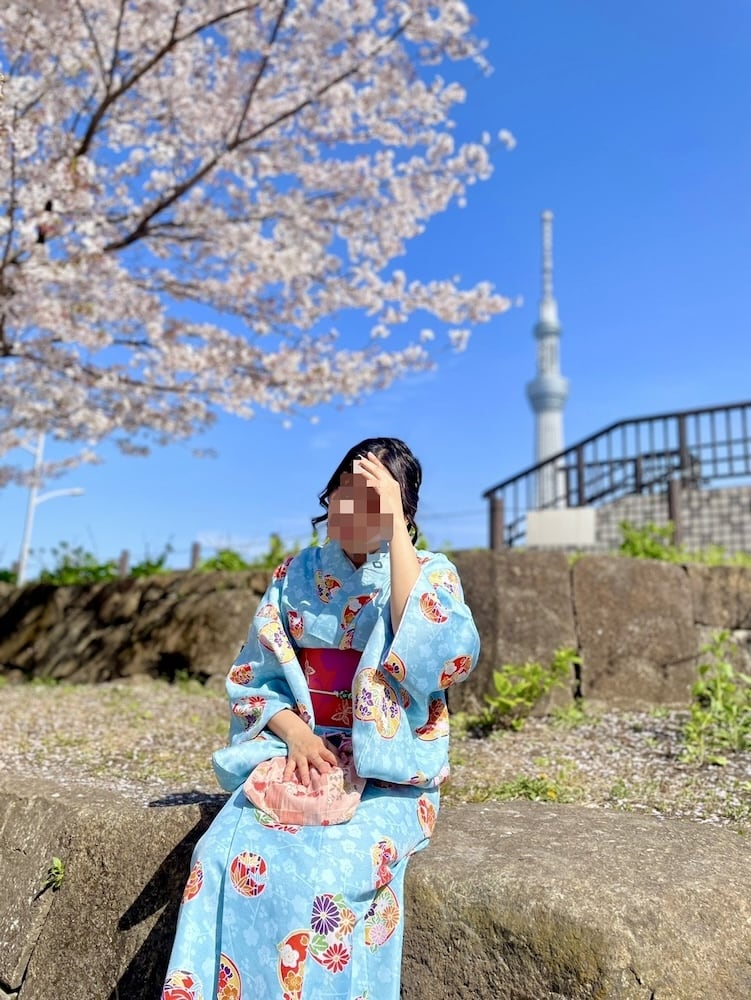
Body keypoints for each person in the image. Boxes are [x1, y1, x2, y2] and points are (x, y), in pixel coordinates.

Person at [161, 437, 480, 1000]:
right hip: (299, 756)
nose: (356, 510)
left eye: (376, 500)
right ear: (328, 497)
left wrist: (396, 533)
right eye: (345, 493)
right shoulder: (295, 575)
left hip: (387, 775)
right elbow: (253, 679)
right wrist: (298, 735)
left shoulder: (431, 572)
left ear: (404, 514)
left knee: (326, 883)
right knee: (217, 857)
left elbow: (437, 658)